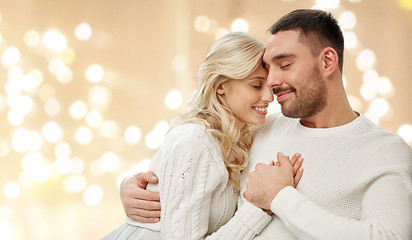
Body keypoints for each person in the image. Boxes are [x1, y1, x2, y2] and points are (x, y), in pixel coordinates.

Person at [120, 9, 412, 240]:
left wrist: (281, 199)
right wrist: (142, 191)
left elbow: (388, 237)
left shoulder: (383, 150)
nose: (271, 83)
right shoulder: (259, 128)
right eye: (267, 70)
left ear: (326, 62)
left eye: (284, 65)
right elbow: (192, 175)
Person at [102, 32, 303, 240]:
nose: (269, 97)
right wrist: (260, 208)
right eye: (255, 85)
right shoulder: (194, 141)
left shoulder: (238, 140)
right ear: (221, 86)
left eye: (269, 86)